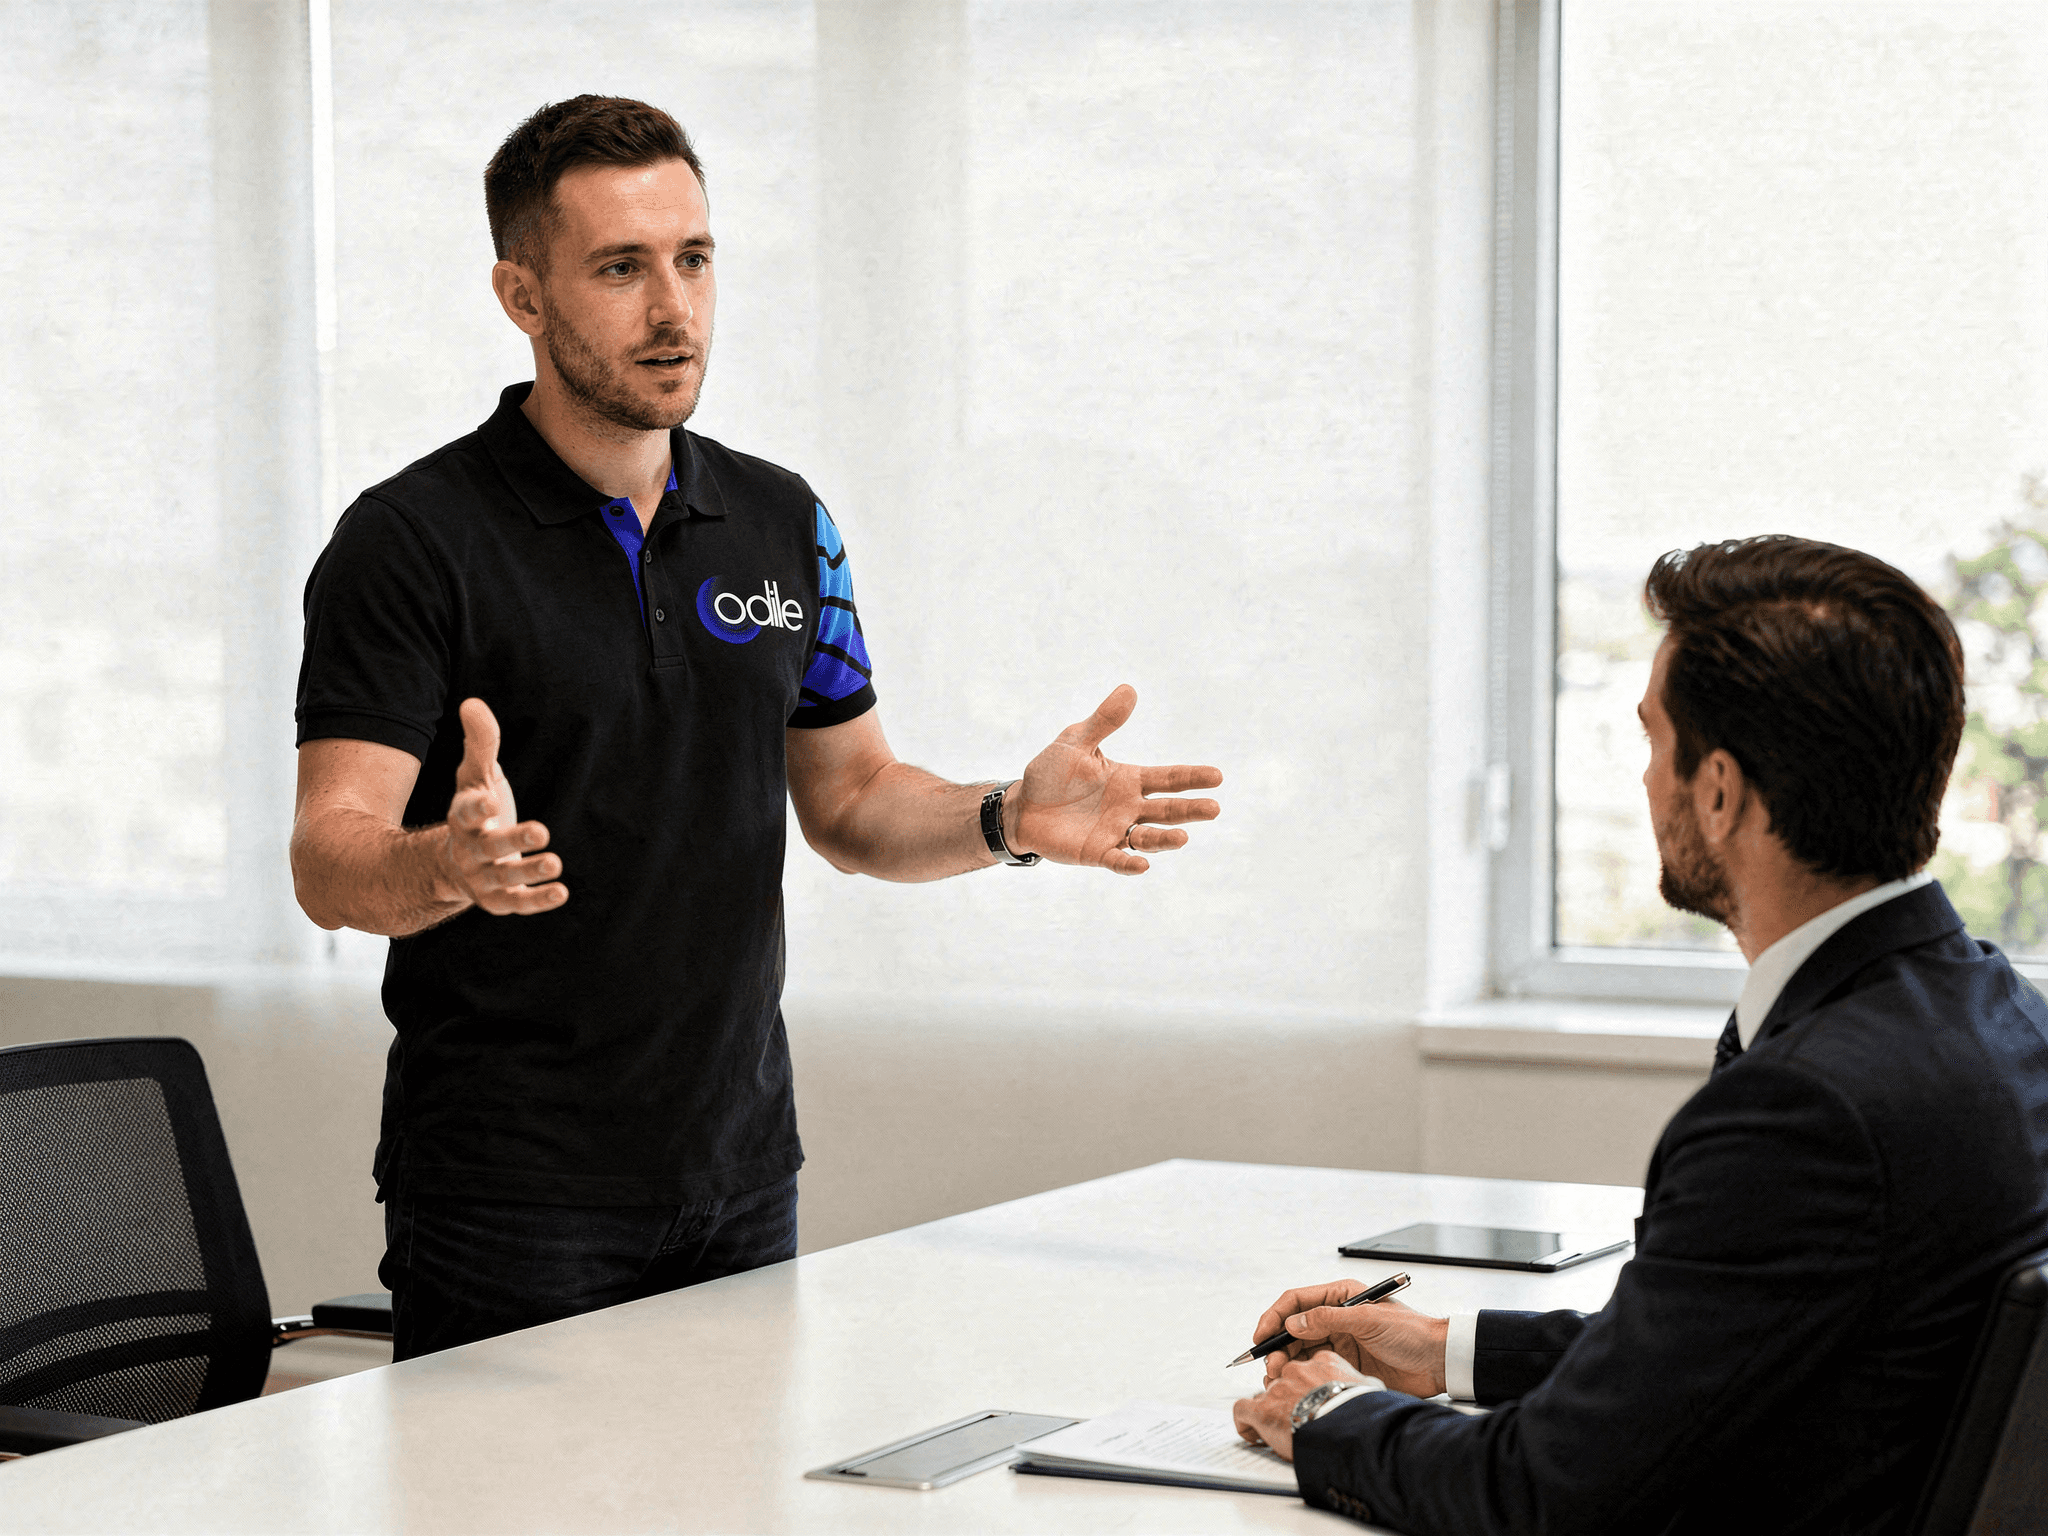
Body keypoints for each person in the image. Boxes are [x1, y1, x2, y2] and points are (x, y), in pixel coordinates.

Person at [289, 95, 1222, 1361]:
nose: (672, 308)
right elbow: (328, 856)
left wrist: (1006, 818)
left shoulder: (785, 523)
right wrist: (446, 865)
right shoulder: (409, 542)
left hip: (736, 1175)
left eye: (693, 258)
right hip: (512, 1193)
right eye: (620, 268)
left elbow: (852, 802)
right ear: (521, 295)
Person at [1233, 536, 2048, 1533]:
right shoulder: (2000, 1018)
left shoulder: (1804, 1110)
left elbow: (1543, 1492)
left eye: (1652, 741)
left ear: (1718, 792)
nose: (1646, 778)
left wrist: (1324, 1417)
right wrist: (1445, 1347)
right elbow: (1718, 1342)